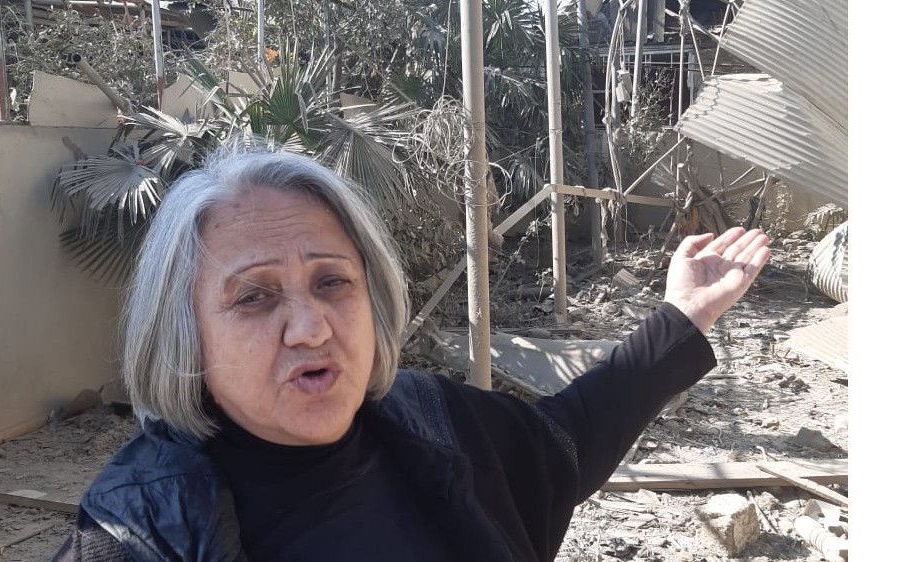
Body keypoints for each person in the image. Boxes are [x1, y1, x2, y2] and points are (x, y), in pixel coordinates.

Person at [51, 143, 771, 562]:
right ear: (187, 336)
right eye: (255, 297)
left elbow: (562, 445)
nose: (310, 326)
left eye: (332, 281)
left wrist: (683, 314)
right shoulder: (139, 527)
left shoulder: (427, 421)